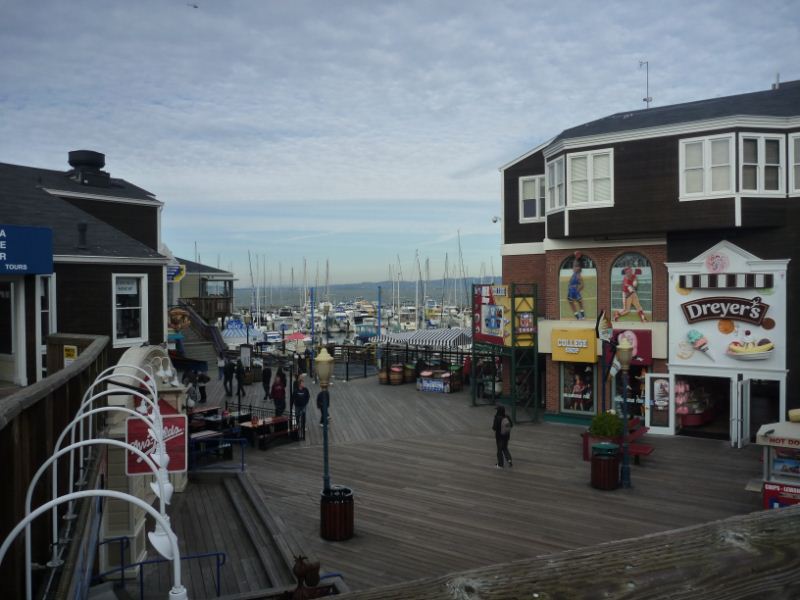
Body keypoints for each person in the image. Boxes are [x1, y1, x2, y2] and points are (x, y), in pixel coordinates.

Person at [291, 375, 310, 439]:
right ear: (299, 384)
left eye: (303, 383)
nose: (303, 384)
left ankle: (303, 426)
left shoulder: (306, 390)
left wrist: (306, 402)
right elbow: (293, 397)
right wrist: (293, 404)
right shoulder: (296, 391)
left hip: (303, 405)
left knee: (303, 416)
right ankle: (297, 425)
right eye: (302, 383)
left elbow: (308, 396)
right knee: (297, 416)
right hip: (297, 406)